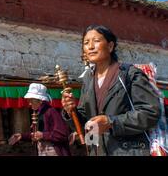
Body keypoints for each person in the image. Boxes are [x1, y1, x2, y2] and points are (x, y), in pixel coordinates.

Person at [61, 25, 160, 156]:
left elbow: (151, 113)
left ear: (110, 46)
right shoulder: (88, 78)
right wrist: (70, 111)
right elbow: (87, 121)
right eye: (86, 43)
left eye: (96, 41)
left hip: (128, 150)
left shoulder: (129, 74)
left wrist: (112, 122)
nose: (90, 46)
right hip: (97, 150)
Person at [8, 83, 71, 156]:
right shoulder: (39, 113)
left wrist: (43, 135)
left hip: (54, 151)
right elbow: (38, 134)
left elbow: (62, 134)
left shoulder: (51, 112)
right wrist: (22, 136)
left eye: (31, 101)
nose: (30, 104)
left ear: (40, 100)